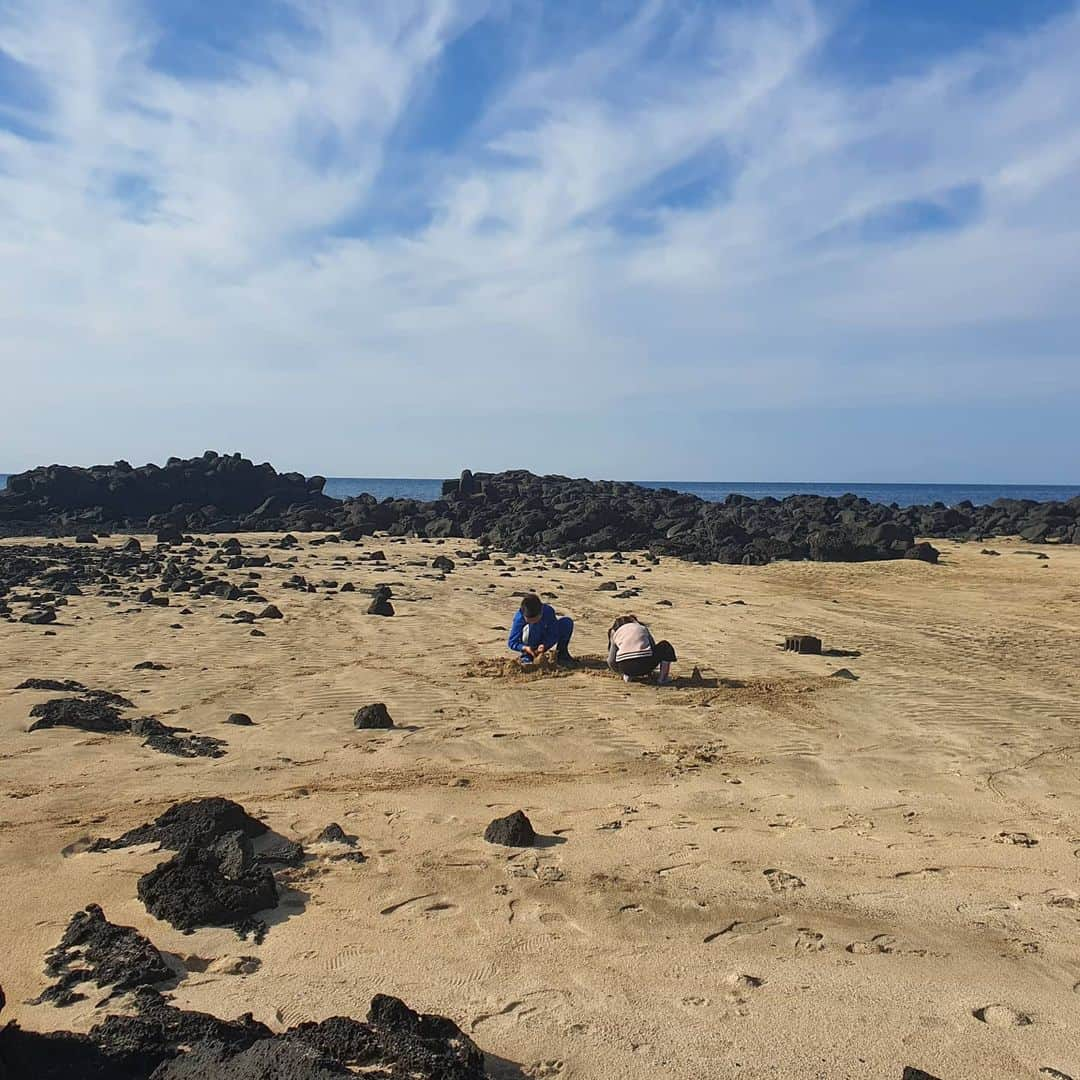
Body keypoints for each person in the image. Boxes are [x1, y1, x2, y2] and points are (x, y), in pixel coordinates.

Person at [508, 593, 575, 665]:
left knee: (567, 622)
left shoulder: (548, 611)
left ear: (541, 612)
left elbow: (554, 632)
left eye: (535, 619)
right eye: (529, 620)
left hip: (544, 639)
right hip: (528, 644)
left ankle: (562, 654)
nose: (533, 622)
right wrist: (524, 648)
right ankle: (527, 656)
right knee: (532, 627)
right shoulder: (519, 618)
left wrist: (545, 644)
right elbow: (512, 642)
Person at [607, 615, 676, 684]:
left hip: (625, 667)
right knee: (664, 645)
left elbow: (611, 661)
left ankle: (628, 676)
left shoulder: (616, 633)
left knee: (625, 654)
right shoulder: (642, 628)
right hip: (645, 664)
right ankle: (662, 679)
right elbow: (652, 648)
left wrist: (621, 672)